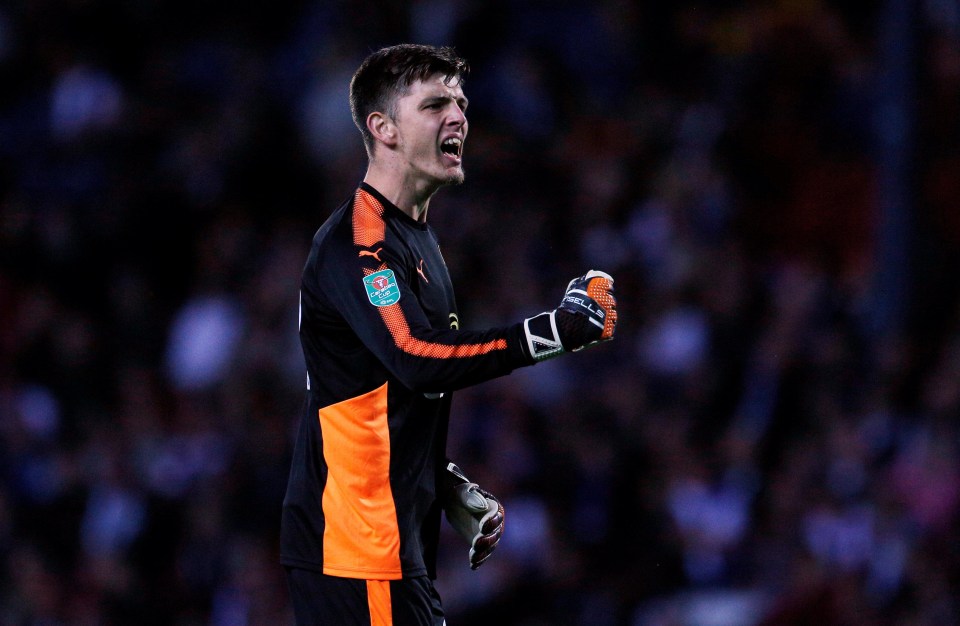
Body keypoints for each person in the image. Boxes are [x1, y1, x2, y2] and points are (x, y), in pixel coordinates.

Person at [280, 43, 618, 625]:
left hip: (384, 544)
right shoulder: (360, 244)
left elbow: (378, 393)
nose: (459, 116)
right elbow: (414, 356)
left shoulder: (419, 241)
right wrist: (550, 333)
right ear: (382, 127)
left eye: (460, 103)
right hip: (357, 548)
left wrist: (442, 484)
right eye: (436, 104)